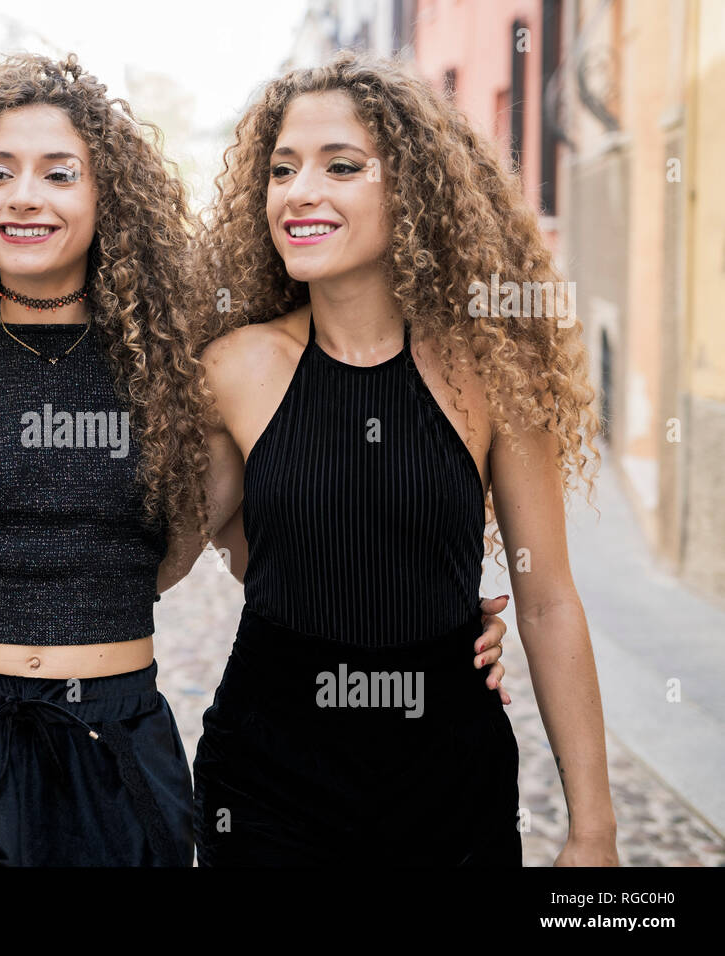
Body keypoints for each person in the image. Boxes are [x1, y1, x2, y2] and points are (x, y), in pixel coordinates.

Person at [0, 51, 512, 867]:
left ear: (105, 195)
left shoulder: (178, 370)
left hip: (112, 747)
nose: (23, 197)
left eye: (58, 174)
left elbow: (261, 533)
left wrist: (419, 622)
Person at [186, 49, 618, 866]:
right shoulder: (235, 369)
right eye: (282, 170)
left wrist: (594, 830)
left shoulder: (493, 374)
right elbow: (176, 553)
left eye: (340, 166)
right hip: (270, 781)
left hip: (451, 784)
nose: (299, 192)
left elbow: (550, 600)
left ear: (411, 193)